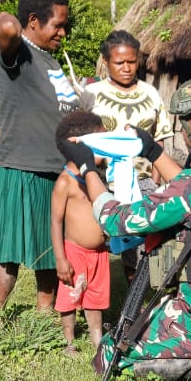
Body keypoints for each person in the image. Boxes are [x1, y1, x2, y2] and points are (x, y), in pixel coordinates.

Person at [59, 74, 191, 381]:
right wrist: (152, 150)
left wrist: (88, 169)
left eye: (184, 124)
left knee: (109, 355)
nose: (181, 130)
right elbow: (189, 191)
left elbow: (116, 220)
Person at [0, 0, 81, 321]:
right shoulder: (18, 55)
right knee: (8, 253)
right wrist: (9, 22)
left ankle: (43, 318)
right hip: (21, 168)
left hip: (54, 170)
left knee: (49, 252)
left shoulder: (49, 59)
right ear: (35, 21)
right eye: (58, 25)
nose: (63, 33)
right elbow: (5, 29)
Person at [87, 30, 170, 280]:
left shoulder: (150, 93)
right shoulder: (91, 95)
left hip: (144, 182)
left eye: (131, 62)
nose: (126, 68)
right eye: (119, 62)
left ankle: (137, 301)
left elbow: (161, 137)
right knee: (97, 243)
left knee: (144, 247)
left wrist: (156, 181)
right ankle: (94, 303)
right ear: (106, 62)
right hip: (103, 182)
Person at [50, 110, 112, 357]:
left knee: (95, 298)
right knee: (70, 297)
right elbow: (55, 222)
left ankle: (97, 339)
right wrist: (60, 258)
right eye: (100, 144)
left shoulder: (96, 179)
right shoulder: (65, 182)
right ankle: (69, 342)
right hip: (75, 253)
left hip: (99, 253)